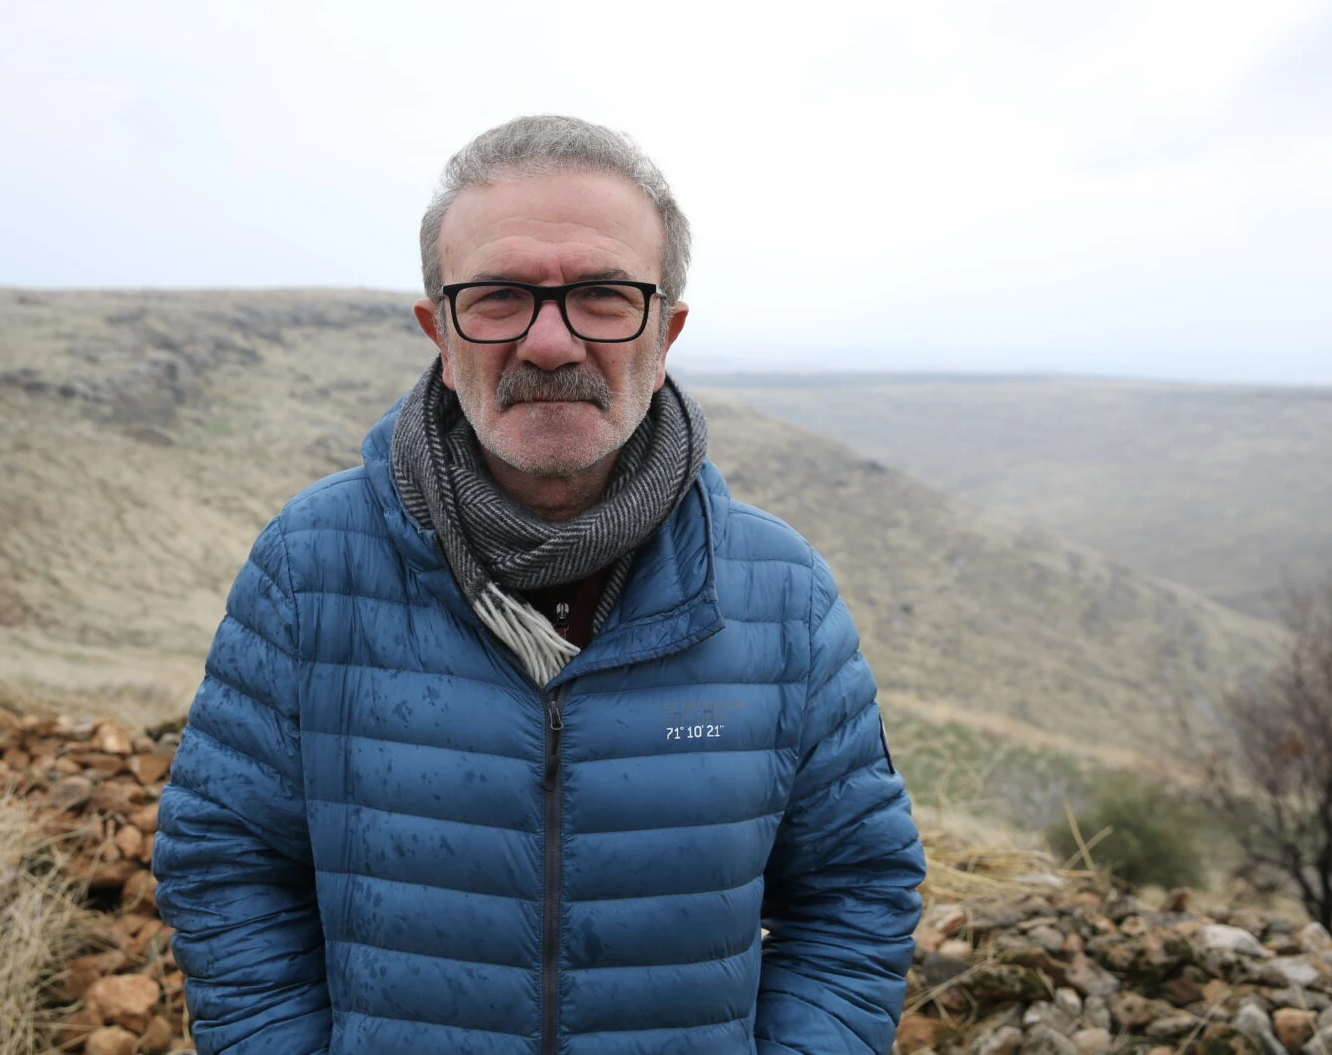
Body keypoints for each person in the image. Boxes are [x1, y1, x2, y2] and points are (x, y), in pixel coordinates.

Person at [153, 115, 926, 1055]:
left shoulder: (783, 597)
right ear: (440, 330)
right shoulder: (311, 566)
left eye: (603, 296)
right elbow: (225, 861)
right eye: (498, 296)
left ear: (667, 330)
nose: (551, 343)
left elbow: (858, 887)